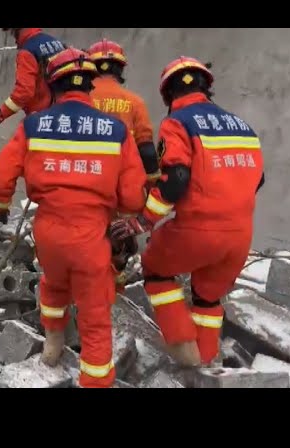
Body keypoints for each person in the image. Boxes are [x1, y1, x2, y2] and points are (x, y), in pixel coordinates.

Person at [0, 48, 147, 388]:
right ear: (90, 84)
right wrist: (128, 219)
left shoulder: (34, 125)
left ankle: (52, 347)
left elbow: (2, 175)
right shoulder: (116, 130)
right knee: (94, 310)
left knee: (54, 284)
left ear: (53, 84)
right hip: (92, 235)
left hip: (48, 232)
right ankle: (96, 380)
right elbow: (133, 194)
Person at [109, 56, 265, 367]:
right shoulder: (242, 126)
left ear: (167, 94)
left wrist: (142, 221)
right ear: (208, 88)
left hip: (198, 231)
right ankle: (205, 365)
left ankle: (184, 352)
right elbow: (258, 179)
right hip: (240, 237)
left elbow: (176, 179)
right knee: (207, 297)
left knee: (156, 268)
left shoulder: (178, 123)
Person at [88, 39, 160, 182]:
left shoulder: (79, 100)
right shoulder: (135, 102)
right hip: (124, 182)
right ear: (120, 68)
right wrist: (154, 183)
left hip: (85, 177)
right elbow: (146, 150)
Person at [0, 28, 66, 135]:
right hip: (65, 116)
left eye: (13, 33)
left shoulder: (28, 52)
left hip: (44, 121)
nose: (14, 39)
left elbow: (24, 92)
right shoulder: (56, 43)